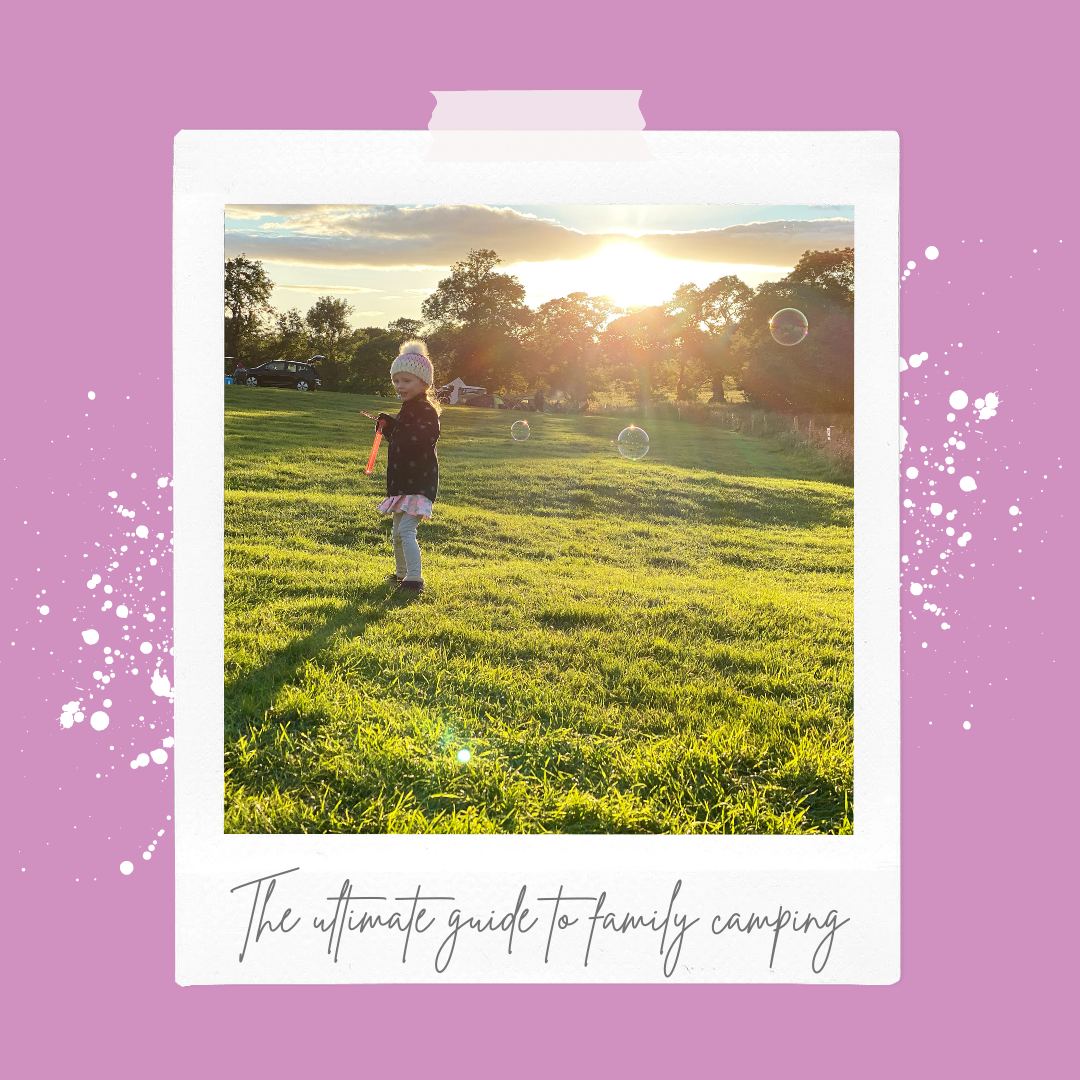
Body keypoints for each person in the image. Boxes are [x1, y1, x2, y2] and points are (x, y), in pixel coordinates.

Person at [375, 341, 441, 593]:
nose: (400, 386)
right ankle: (401, 573)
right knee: (396, 533)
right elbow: (402, 440)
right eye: (396, 381)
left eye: (406, 381)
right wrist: (389, 427)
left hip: (419, 482)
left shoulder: (426, 410)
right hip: (403, 483)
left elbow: (422, 439)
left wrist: (398, 428)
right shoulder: (407, 408)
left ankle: (415, 578)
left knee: (405, 530)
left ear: (423, 383)